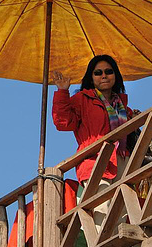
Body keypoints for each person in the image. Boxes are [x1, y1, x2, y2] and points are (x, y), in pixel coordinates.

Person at [52, 54, 139, 229]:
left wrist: (133, 119)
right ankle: (103, 246)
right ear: (91, 78)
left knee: (121, 205)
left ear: (116, 76)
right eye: (98, 72)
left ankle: (118, 246)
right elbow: (63, 123)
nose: (104, 76)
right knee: (102, 205)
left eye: (109, 71)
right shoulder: (82, 99)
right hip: (95, 159)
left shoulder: (121, 105)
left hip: (122, 159)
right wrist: (62, 91)